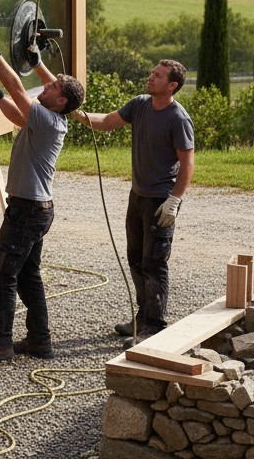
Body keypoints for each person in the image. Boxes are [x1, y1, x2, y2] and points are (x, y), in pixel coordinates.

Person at [0, 29, 85, 362]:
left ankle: (0, 343)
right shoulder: (46, 120)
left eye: (52, 87)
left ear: (61, 102)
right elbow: (17, 113)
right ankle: (38, 342)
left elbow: (20, 91)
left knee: (2, 275)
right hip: (35, 209)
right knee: (28, 275)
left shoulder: (48, 119)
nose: (45, 86)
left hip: (28, 211)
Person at [76, 59, 194, 342]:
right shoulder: (140, 104)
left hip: (159, 202)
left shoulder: (178, 118)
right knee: (136, 260)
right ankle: (142, 318)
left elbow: (187, 163)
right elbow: (106, 122)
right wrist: (75, 112)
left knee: (154, 263)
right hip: (138, 196)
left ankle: (153, 325)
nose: (151, 77)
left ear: (172, 85)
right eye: (152, 72)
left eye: (158, 75)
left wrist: (174, 200)